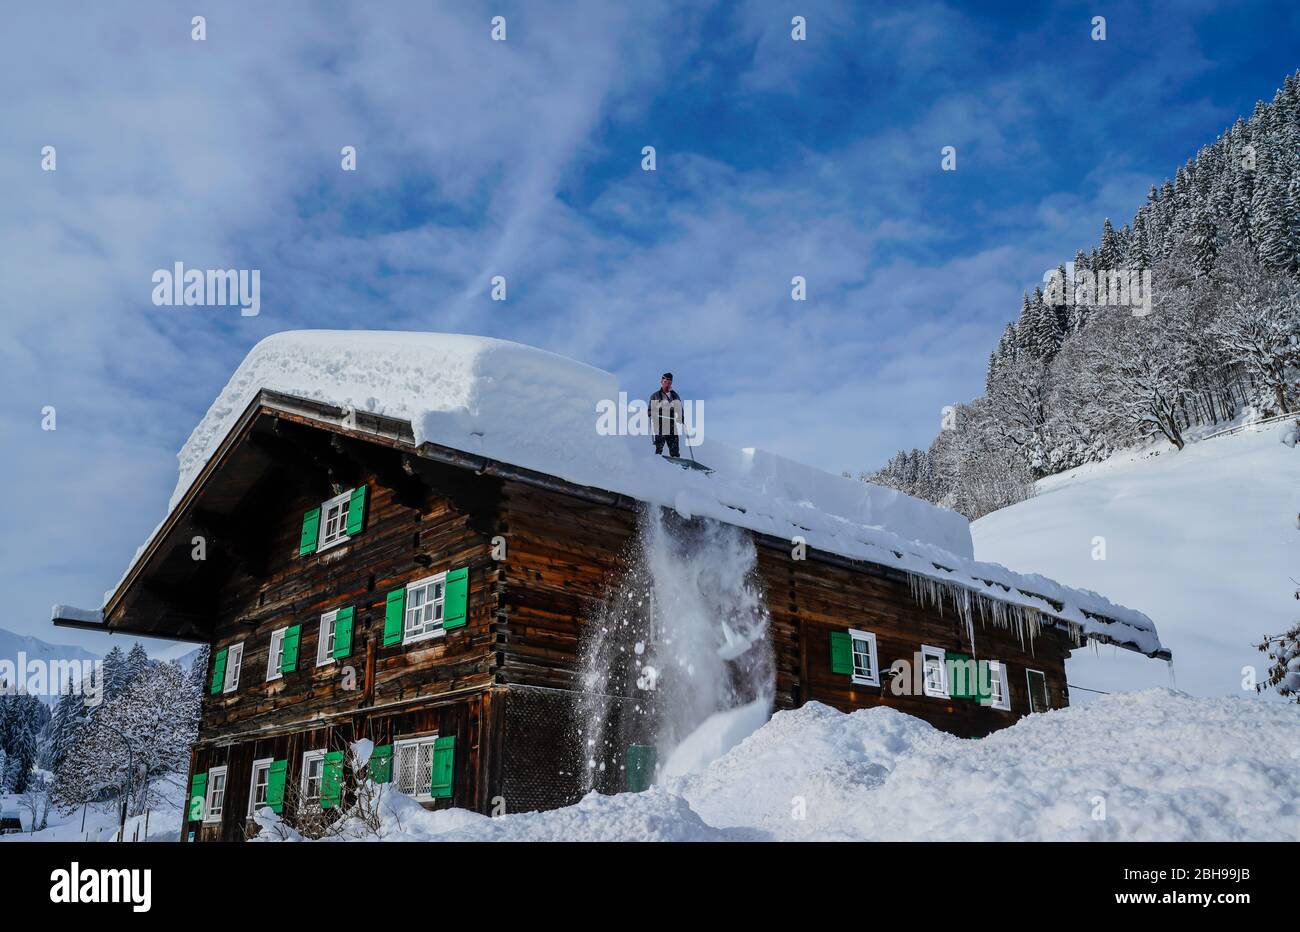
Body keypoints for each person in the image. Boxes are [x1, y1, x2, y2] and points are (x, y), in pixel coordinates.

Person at [649, 372, 683, 457]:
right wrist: (653, 414)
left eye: (669, 382)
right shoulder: (655, 396)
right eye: (665, 381)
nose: (667, 384)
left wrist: (680, 417)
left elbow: (679, 408)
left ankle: (676, 461)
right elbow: (650, 410)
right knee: (659, 444)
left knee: (674, 446)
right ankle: (657, 460)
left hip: (671, 424)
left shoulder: (674, 395)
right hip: (660, 423)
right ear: (661, 382)